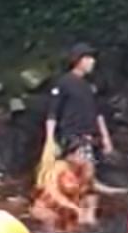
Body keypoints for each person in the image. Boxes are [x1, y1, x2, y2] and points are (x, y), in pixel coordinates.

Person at [42, 43, 114, 171]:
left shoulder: (90, 86)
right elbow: (52, 113)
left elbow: (98, 113)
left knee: (90, 173)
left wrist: (105, 138)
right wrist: (50, 140)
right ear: (77, 60)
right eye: (88, 58)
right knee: (77, 173)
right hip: (73, 137)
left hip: (91, 137)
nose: (92, 62)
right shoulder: (64, 83)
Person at [30, 136, 97, 233]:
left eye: (88, 153)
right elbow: (53, 192)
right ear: (70, 154)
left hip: (73, 211)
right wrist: (74, 208)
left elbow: (90, 192)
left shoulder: (87, 168)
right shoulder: (58, 168)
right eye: (82, 153)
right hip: (48, 208)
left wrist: (91, 211)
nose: (86, 157)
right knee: (51, 225)